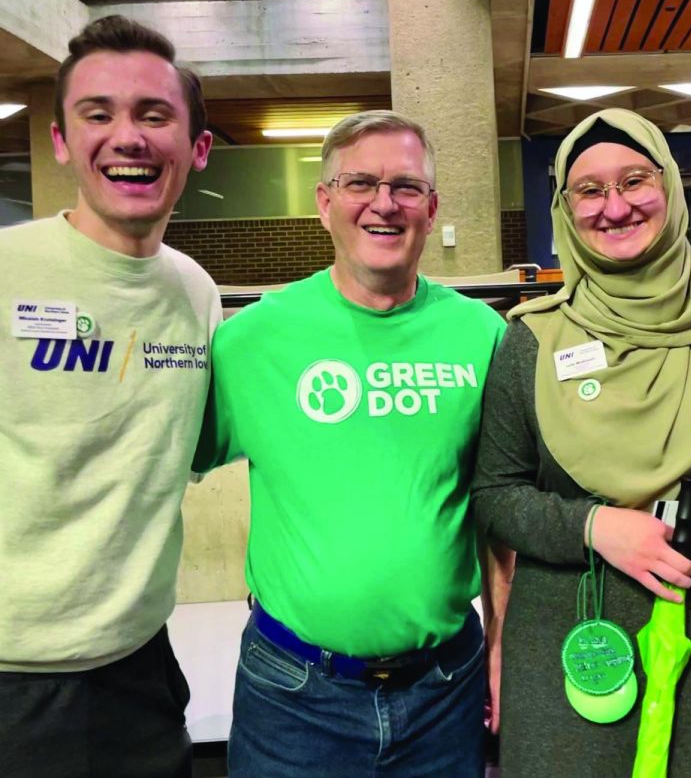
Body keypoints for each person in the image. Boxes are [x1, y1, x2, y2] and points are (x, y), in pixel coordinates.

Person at [194, 110, 506, 777]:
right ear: (325, 202)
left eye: (406, 186)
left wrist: (507, 648)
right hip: (296, 698)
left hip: (445, 691)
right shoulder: (254, 340)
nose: (384, 204)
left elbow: (501, 512)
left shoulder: (483, 337)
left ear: (432, 207)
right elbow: (156, 462)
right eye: (360, 183)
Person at [0, 15, 221, 778]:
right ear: (61, 140)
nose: (127, 135)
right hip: (13, 677)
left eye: (153, 115)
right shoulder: (6, 270)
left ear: (196, 149)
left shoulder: (196, 293)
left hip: (138, 666)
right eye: (98, 114)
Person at [472, 108, 691, 777]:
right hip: (570, 654)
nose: (615, 207)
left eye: (635, 180)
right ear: (565, 209)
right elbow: (493, 497)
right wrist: (593, 525)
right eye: (589, 190)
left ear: (668, 189)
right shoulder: (533, 339)